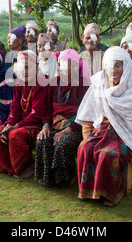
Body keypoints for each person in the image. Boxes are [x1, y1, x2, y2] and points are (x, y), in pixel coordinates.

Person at [75, 46, 132, 206]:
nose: (114, 70)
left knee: (109, 154)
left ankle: (111, 195)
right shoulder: (99, 82)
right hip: (102, 130)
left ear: (126, 66)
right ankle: (88, 191)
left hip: (126, 134)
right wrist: (87, 134)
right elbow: (88, 111)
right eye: (110, 65)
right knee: (85, 147)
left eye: (118, 65)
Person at [35, 49, 91, 187]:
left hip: (76, 128)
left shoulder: (83, 84)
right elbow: (47, 109)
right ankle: (48, 177)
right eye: (58, 64)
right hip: (55, 125)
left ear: (75, 66)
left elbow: (86, 113)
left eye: (64, 65)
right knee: (43, 140)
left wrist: (68, 130)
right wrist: (46, 126)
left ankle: (66, 177)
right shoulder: (54, 82)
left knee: (63, 144)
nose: (59, 68)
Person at [0, 50, 48, 179]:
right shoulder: (18, 84)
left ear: (36, 66)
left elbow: (38, 113)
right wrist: (9, 123)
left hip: (37, 124)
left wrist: (16, 126)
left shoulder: (42, 83)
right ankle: (8, 167)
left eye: (28, 67)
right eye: (22, 67)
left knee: (15, 134)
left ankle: (26, 166)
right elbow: (15, 108)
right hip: (20, 123)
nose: (25, 71)